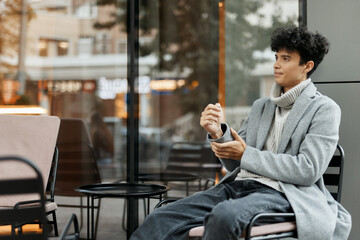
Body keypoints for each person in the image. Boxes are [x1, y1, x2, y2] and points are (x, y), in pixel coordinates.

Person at [130, 26, 352, 240]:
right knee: (162, 216)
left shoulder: (324, 109)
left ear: (307, 66)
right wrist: (218, 133)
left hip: (283, 194)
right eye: (276, 57)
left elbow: (308, 170)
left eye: (286, 59)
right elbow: (234, 165)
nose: (276, 64)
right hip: (236, 187)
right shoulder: (261, 106)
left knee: (224, 217)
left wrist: (246, 154)